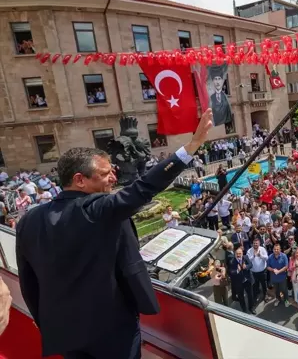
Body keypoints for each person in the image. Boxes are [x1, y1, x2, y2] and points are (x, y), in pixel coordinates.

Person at [16, 109, 213, 358]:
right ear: (80, 180)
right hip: (110, 327)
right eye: (105, 173)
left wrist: (44, 321)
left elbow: (29, 283)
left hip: (64, 331)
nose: (113, 178)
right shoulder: (96, 209)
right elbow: (144, 188)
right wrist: (191, 146)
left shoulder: (28, 220)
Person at [228, 246, 255, 315]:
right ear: (235, 254)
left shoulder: (245, 257)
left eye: (240, 253)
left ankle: (251, 308)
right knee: (241, 297)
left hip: (247, 280)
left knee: (250, 295)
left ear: (242, 253)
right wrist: (237, 270)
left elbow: (251, 265)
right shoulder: (232, 261)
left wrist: (246, 267)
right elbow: (231, 272)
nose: (238, 255)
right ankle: (244, 310)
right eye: (237, 253)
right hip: (238, 282)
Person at [267, 243, 290, 307]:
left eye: (277, 249)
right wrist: (273, 270)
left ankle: (286, 300)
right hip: (274, 278)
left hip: (282, 277)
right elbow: (268, 266)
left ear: (280, 249)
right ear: (273, 249)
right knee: (276, 290)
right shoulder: (270, 257)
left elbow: (286, 266)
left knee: (284, 290)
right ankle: (278, 299)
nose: (276, 250)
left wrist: (279, 271)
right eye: (274, 249)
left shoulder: (284, 256)